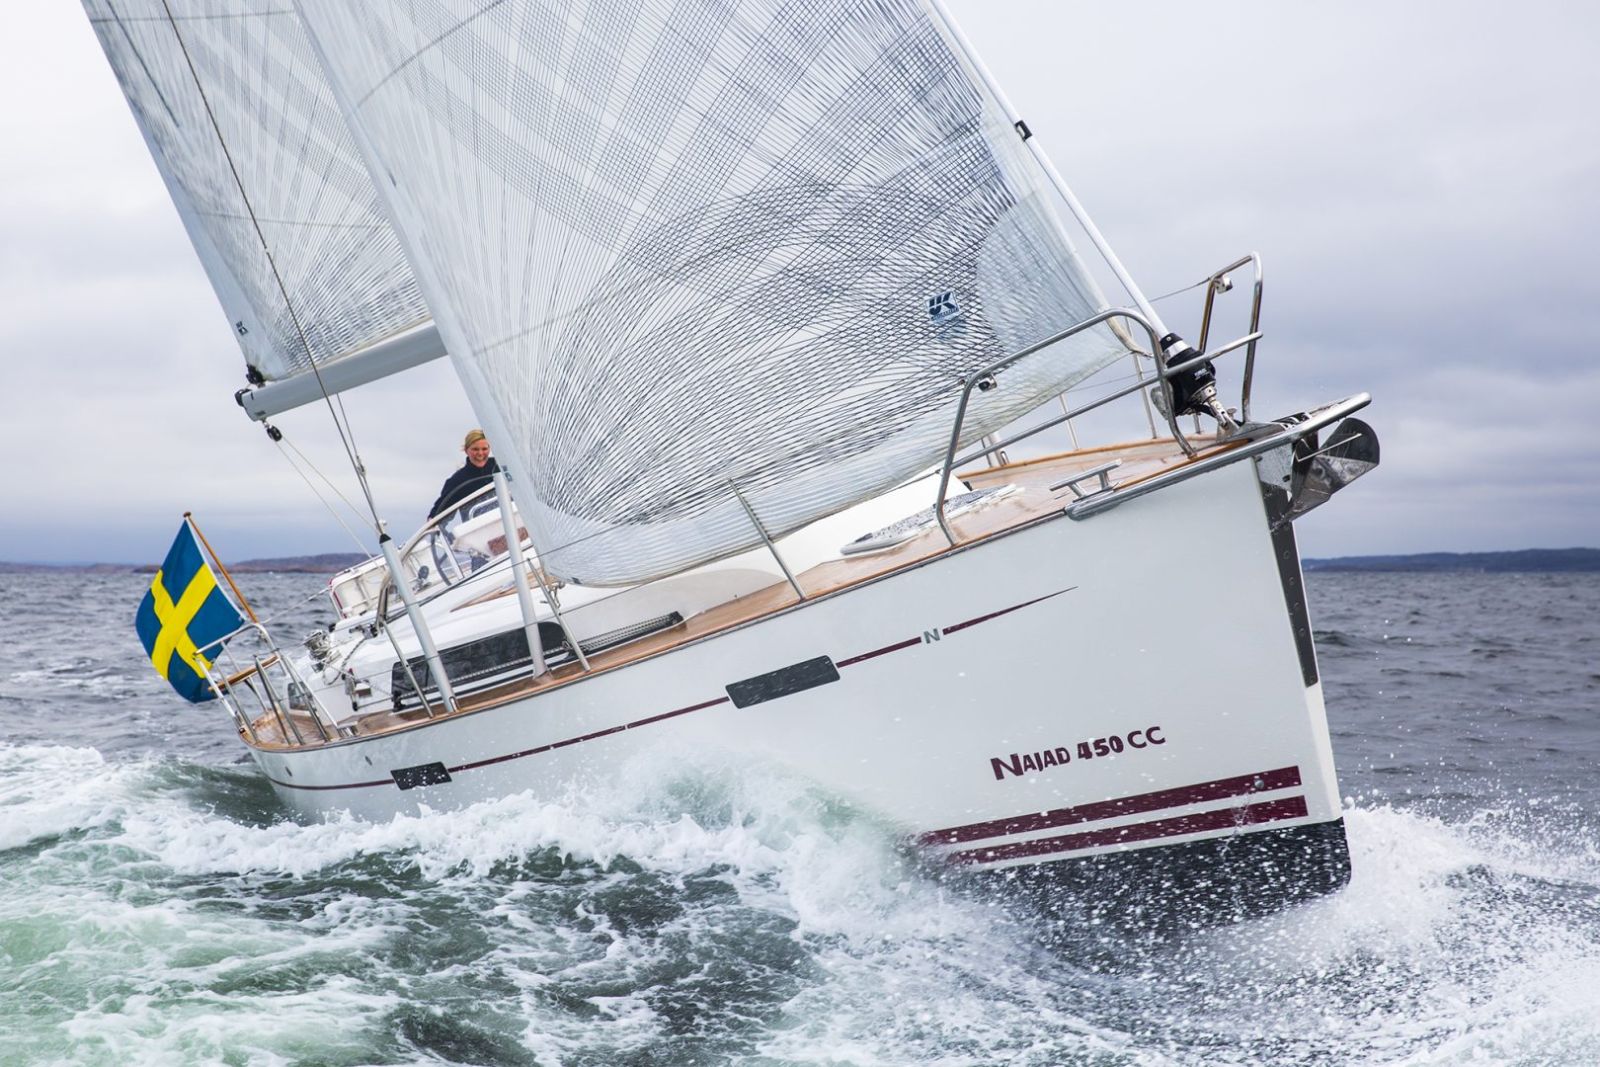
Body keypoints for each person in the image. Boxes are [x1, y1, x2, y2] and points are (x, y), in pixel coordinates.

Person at [428, 429, 500, 522]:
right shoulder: (458, 480)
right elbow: (437, 514)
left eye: (484, 449)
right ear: (466, 450)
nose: (480, 453)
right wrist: (432, 522)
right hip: (479, 528)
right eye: (475, 449)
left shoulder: (501, 467)